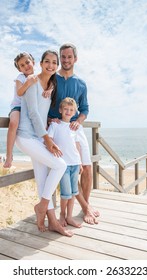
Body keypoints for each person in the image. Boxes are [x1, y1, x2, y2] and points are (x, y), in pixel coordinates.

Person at [15, 50, 73, 237]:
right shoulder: (32, 81)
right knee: (60, 165)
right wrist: (48, 140)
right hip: (26, 136)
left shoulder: (51, 84)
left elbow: (42, 111)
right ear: (40, 63)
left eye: (54, 62)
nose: (50, 65)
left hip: (38, 137)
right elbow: (32, 113)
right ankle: (42, 206)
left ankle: (50, 220)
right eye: (47, 61)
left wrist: (51, 122)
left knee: (42, 180)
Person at [48, 43, 99, 224]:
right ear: (60, 58)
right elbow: (44, 102)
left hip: (76, 128)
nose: (66, 60)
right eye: (63, 57)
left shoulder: (81, 83)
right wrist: (48, 120)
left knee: (87, 167)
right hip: (58, 129)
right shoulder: (52, 79)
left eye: (69, 57)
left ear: (75, 59)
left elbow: (85, 109)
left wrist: (79, 121)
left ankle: (86, 205)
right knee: (67, 166)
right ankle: (85, 209)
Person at [48, 97, 82, 228]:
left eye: (71, 110)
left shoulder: (74, 127)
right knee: (65, 193)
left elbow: (77, 146)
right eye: (66, 109)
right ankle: (62, 214)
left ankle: (69, 216)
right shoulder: (55, 125)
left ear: (74, 113)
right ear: (61, 110)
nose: (68, 111)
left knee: (73, 193)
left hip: (74, 163)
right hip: (63, 164)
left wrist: (79, 163)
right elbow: (49, 140)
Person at [3, 52, 38, 168]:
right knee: (13, 123)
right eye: (22, 65)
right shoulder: (21, 77)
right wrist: (28, 82)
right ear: (19, 69)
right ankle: (9, 155)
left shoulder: (38, 77)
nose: (26, 66)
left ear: (33, 62)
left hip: (31, 108)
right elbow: (19, 92)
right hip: (18, 106)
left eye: (27, 62)